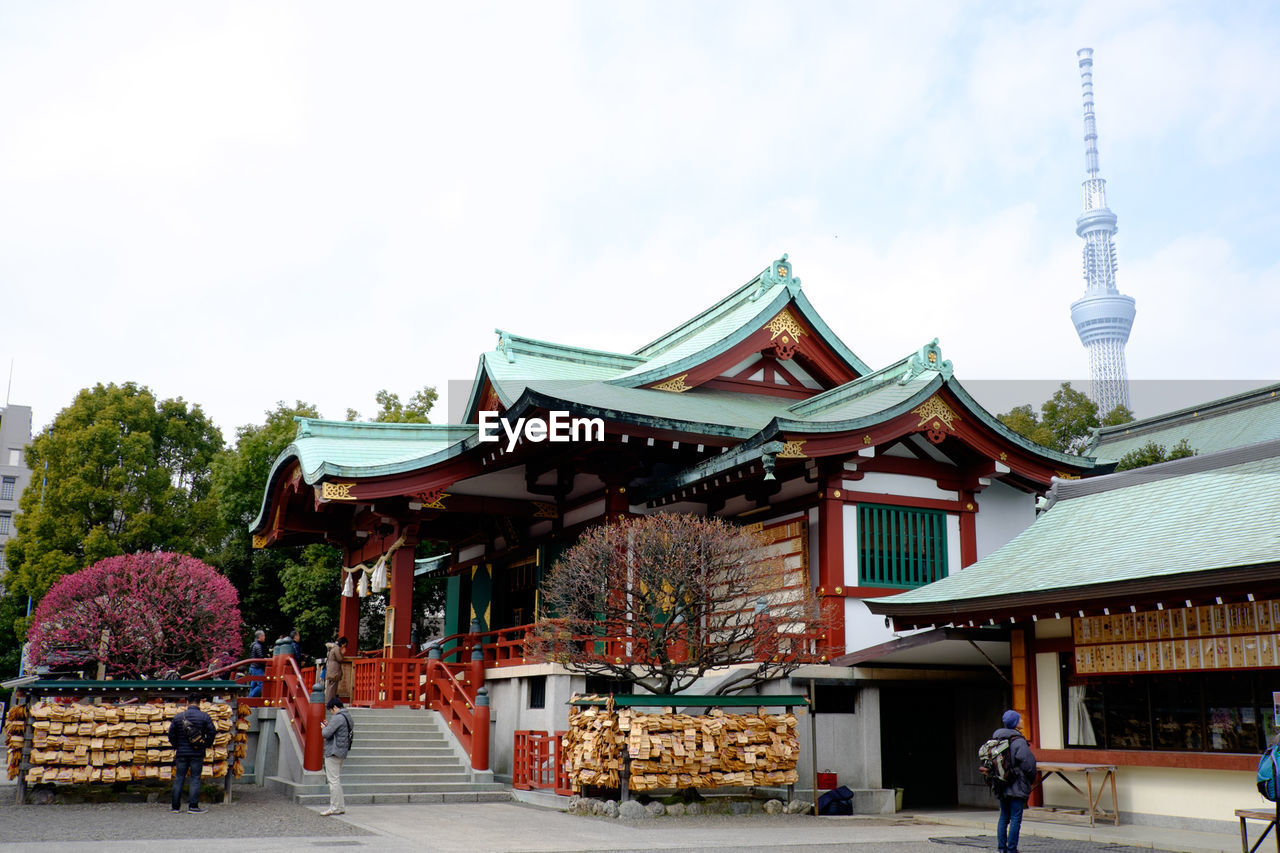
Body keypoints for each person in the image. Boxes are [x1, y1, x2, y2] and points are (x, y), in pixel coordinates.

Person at [992, 709, 1037, 853]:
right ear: (1016, 723)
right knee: (1016, 818)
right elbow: (1028, 764)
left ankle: (1001, 848)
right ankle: (1012, 849)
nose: (1022, 721)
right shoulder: (1018, 741)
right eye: (1020, 719)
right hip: (1017, 784)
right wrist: (1029, 780)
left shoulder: (997, 739)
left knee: (1004, 817)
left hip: (1001, 783)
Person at [168, 700, 216, 813]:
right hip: (197, 752)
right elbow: (212, 732)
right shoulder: (204, 716)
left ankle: (175, 807)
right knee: (195, 778)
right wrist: (205, 744)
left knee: (179, 778)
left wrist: (177, 746)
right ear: (199, 703)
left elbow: (171, 735)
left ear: (187, 702)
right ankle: (193, 806)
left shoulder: (178, 717)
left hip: (181, 752)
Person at [320, 697, 353, 816]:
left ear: (335, 707)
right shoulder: (347, 716)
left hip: (334, 751)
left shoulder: (337, 717)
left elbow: (326, 733)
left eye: (331, 711)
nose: (331, 713)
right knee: (336, 779)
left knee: (333, 781)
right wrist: (330, 726)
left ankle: (334, 807)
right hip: (342, 750)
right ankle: (340, 806)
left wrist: (324, 728)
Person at [324, 636, 348, 703]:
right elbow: (340, 659)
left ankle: (327, 701)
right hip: (334, 670)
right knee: (332, 688)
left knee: (329, 687)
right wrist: (342, 653)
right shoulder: (336, 648)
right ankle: (330, 702)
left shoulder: (332, 648)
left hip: (330, 669)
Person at [247, 629, 267, 698]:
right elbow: (261, 657)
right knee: (262, 684)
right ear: (260, 637)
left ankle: (250, 702)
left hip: (253, 667)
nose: (264, 637)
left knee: (253, 686)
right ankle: (249, 699)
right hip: (257, 668)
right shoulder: (258, 646)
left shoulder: (254, 644)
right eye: (263, 636)